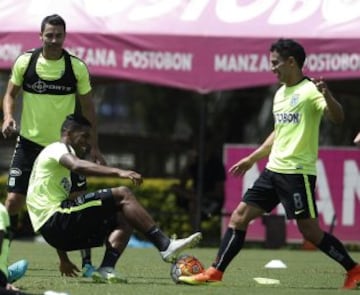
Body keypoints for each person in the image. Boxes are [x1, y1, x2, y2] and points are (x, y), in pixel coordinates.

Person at [178, 38, 360, 289]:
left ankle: (354, 270)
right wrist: (253, 158)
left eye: (275, 63)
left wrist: (327, 95)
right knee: (239, 218)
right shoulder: (279, 94)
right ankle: (215, 272)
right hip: (272, 171)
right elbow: (279, 133)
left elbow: (337, 118)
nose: (271, 68)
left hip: (297, 173)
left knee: (309, 232)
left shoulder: (310, 91)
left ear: (292, 62)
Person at [26, 114, 202, 283]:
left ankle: (106, 268)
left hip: (56, 231)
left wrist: (63, 259)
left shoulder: (60, 173)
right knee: (123, 193)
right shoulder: (57, 148)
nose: (87, 143)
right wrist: (120, 171)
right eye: (84, 136)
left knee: (125, 216)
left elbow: (63, 211)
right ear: (68, 133)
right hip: (57, 220)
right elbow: (77, 166)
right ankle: (165, 245)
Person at [1, 14, 106, 276]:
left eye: (59, 35)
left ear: (64, 36)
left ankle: (87, 264)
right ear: (40, 36)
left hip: (65, 149)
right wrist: (8, 117)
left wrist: (93, 146)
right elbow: (10, 95)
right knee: (13, 201)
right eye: (49, 35)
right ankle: (2, 260)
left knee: (74, 200)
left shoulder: (76, 68)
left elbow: (88, 108)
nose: (54, 40)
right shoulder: (26, 62)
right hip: (29, 144)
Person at [171, 139, 226, 224]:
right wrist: (188, 164)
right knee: (176, 188)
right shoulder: (195, 163)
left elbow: (218, 192)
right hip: (195, 197)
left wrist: (199, 196)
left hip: (211, 200)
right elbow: (182, 183)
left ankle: (194, 231)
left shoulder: (216, 164)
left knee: (193, 204)